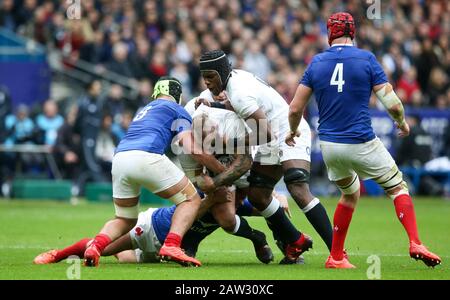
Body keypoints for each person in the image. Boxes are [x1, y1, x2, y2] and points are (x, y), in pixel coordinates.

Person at [286, 12, 441, 269]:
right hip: (360, 141)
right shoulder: (367, 59)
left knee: (349, 193)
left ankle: (336, 256)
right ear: (352, 33)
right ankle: (415, 241)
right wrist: (401, 122)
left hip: (330, 147)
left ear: (330, 34)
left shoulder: (316, 62)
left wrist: (292, 131)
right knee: (397, 187)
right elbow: (391, 101)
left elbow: (294, 109)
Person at [196, 50, 334, 264]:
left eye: (211, 75)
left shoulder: (239, 91)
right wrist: (214, 105)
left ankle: (337, 253)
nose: (206, 81)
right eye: (204, 76)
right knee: (258, 196)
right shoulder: (235, 80)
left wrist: (227, 144)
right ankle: (295, 242)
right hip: (270, 137)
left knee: (297, 187)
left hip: (289, 132)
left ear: (222, 72)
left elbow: (264, 132)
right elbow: (243, 110)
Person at [83, 77, 224, 268]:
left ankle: (95, 247)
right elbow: (190, 146)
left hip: (120, 158)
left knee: (125, 219)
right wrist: (221, 169)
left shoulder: (145, 109)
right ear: (177, 94)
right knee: (192, 200)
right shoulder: (177, 110)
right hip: (146, 156)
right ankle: (172, 245)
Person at [33, 194, 288, 265]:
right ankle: (58, 254)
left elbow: (260, 209)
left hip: (168, 249)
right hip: (152, 228)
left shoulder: (231, 202)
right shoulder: (204, 196)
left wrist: (276, 202)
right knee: (106, 249)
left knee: (124, 258)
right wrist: (258, 239)